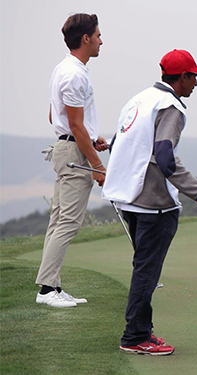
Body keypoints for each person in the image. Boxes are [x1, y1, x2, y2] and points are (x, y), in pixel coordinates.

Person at [101, 49, 197, 356]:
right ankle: (135, 336)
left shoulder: (139, 99)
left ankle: (141, 330)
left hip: (129, 198)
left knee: (143, 268)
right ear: (182, 78)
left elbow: (117, 143)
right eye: (194, 77)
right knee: (147, 272)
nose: (196, 83)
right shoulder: (172, 106)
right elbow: (164, 156)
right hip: (154, 205)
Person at [35, 13, 109, 308]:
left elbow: (57, 116)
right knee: (68, 221)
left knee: (59, 220)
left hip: (68, 148)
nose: (102, 40)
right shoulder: (75, 73)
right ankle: (47, 291)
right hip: (73, 153)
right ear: (86, 38)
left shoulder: (65, 69)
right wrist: (96, 165)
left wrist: (92, 138)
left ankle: (51, 286)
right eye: (99, 35)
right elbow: (74, 125)